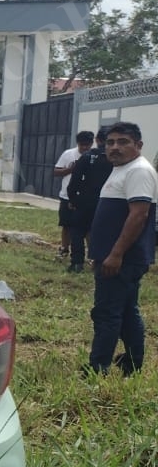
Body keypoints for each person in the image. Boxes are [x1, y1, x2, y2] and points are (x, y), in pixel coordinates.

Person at [85, 121, 158, 376]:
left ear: (138, 145)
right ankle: (133, 363)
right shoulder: (121, 169)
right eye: (111, 142)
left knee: (106, 313)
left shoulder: (138, 171)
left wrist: (116, 254)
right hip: (115, 257)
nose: (114, 147)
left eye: (123, 142)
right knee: (126, 311)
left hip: (123, 258)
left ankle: (98, 368)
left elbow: (139, 215)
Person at [65, 127, 111, 273]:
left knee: (77, 231)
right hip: (108, 201)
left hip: (85, 201)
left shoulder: (87, 157)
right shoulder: (116, 159)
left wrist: (72, 198)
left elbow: (75, 180)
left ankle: (77, 263)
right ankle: (101, 262)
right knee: (104, 232)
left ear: (96, 140)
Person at [54, 131, 94, 258]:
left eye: (87, 145)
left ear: (92, 144)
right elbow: (56, 171)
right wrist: (71, 169)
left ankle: (91, 255)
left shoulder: (95, 156)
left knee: (88, 227)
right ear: (77, 144)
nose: (84, 148)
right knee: (66, 225)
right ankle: (64, 248)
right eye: (82, 145)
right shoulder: (68, 154)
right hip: (67, 196)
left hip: (87, 198)